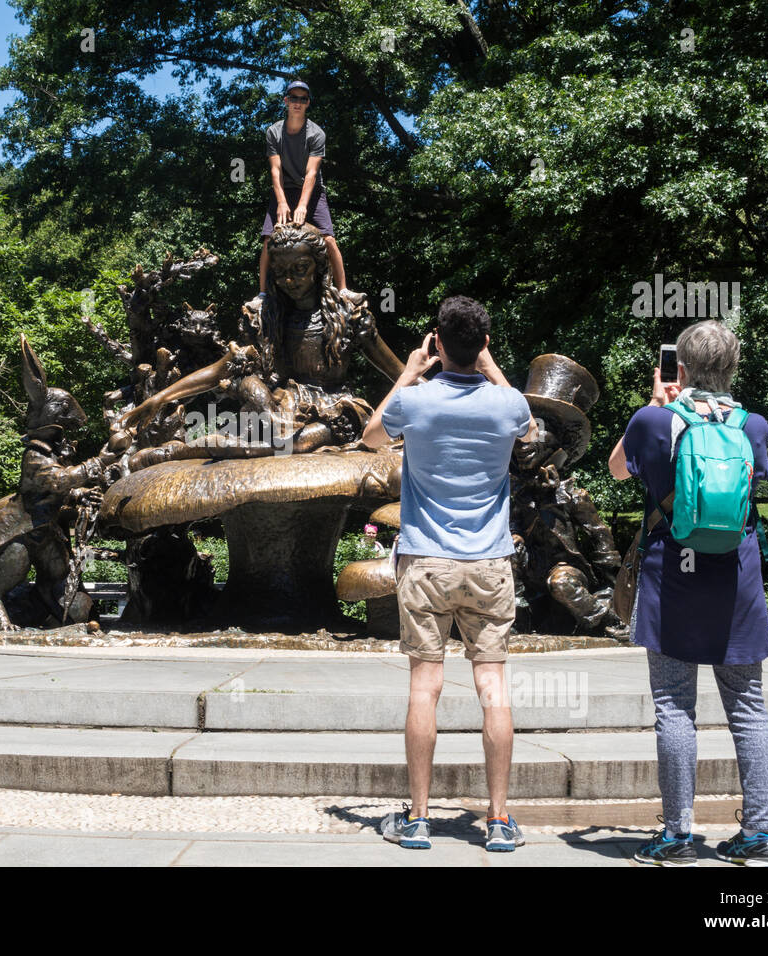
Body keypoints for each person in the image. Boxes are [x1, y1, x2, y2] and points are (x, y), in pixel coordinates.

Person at [362, 296, 538, 851]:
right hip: (489, 563)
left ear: (436, 341)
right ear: (484, 344)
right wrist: (488, 363)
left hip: (425, 560)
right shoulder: (506, 405)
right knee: (493, 686)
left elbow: (371, 436)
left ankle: (417, 819)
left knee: (424, 686)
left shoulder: (415, 402)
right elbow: (529, 430)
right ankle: (499, 819)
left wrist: (410, 372)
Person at [608, 320, 768, 866]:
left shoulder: (653, 420)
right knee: (748, 708)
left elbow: (616, 472)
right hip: (736, 580)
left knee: (674, 706)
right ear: (733, 368)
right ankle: (759, 834)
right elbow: (751, 489)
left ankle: (677, 835)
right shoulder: (753, 425)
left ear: (677, 369)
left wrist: (655, 407)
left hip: (672, 578)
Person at [259, 80, 348, 292]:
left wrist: (302, 206)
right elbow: (275, 170)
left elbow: (311, 173)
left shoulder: (316, 134)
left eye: (303, 99)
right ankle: (262, 294)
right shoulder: (274, 132)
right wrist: (281, 202)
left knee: (328, 239)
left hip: (312, 191)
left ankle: (344, 290)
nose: (297, 102)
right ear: (286, 100)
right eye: (293, 98)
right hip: (284, 189)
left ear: (308, 103)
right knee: (269, 240)